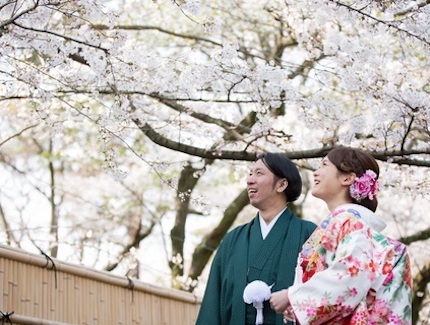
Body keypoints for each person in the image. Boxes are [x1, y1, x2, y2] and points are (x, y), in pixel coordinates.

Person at [270, 146, 412, 324]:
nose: (316, 173)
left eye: (324, 165)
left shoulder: (349, 222)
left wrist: (293, 296)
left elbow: (350, 275)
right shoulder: (353, 224)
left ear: (347, 178)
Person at [196, 153, 317, 325]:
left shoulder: (308, 234)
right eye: (250, 173)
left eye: (259, 174)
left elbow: (322, 293)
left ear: (282, 184)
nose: (250, 180)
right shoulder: (233, 240)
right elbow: (213, 302)